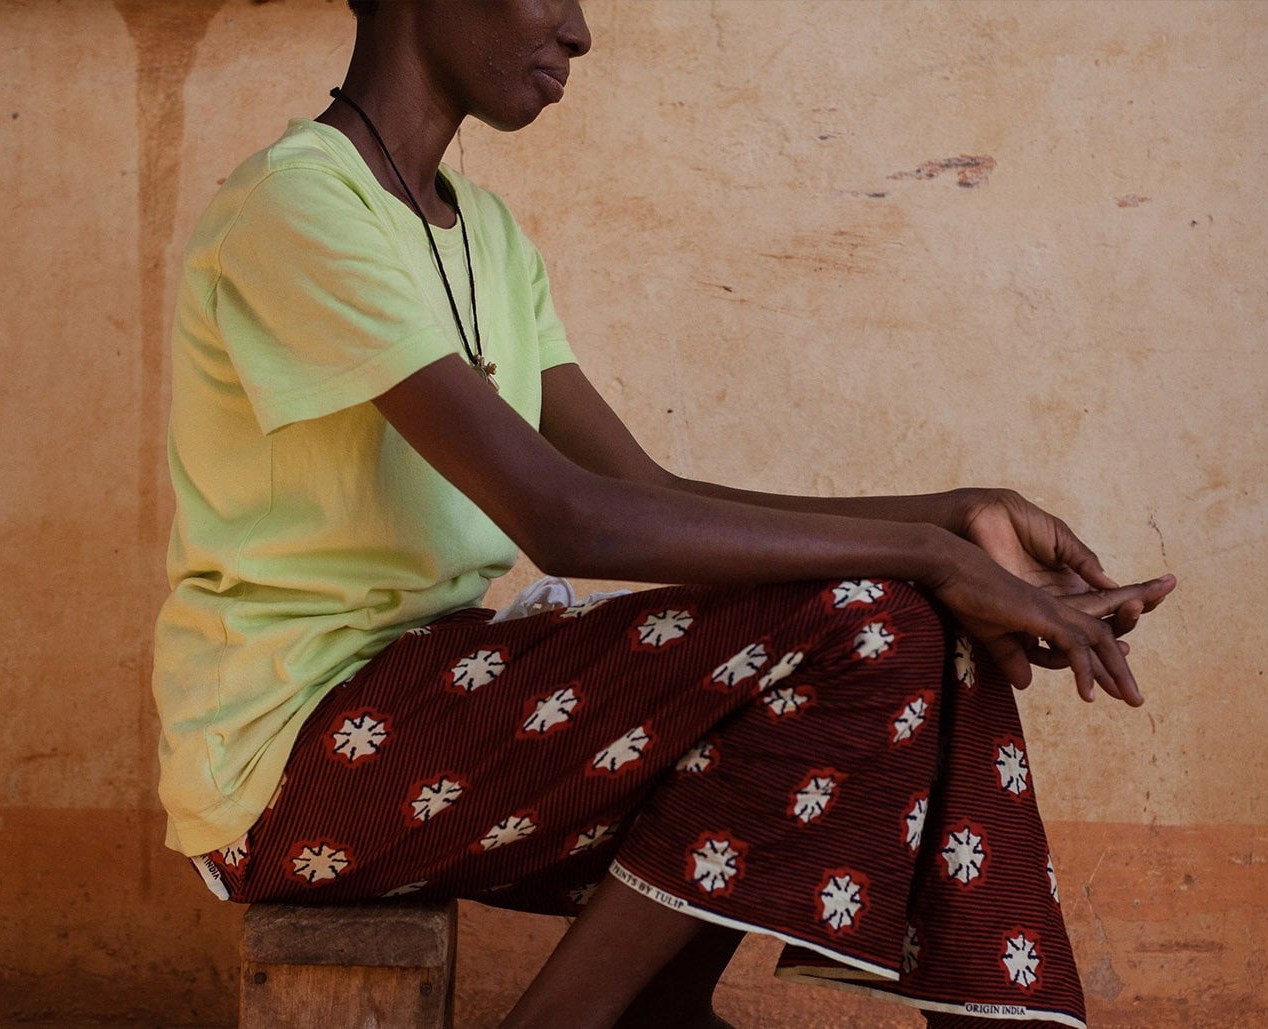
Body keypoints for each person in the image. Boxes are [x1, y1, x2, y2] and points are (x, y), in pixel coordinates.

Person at [151, 2, 1176, 1026]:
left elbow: (638, 490)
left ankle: (659, 1013)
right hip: (292, 767)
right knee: (876, 619)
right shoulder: (299, 209)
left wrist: (954, 522)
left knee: (906, 626)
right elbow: (568, 522)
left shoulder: (488, 235)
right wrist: (928, 556)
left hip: (445, 708)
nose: (579, 32)